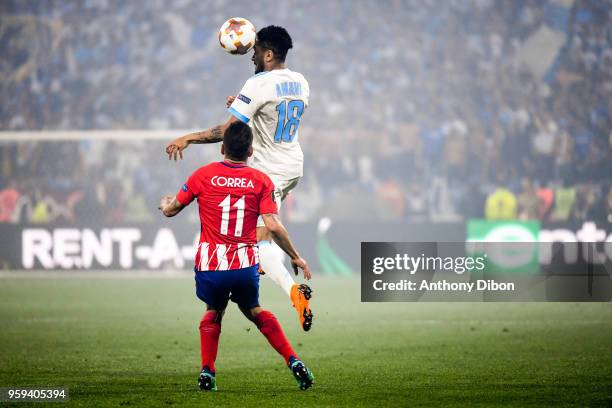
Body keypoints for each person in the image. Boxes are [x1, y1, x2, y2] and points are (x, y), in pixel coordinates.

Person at [165, 25, 313, 331]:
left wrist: (188, 139)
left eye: (256, 51)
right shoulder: (301, 82)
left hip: (266, 169)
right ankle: (270, 280)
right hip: (291, 164)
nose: (252, 57)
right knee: (258, 238)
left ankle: (290, 290)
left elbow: (228, 131)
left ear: (269, 54)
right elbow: (272, 113)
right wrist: (244, 102)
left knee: (252, 240)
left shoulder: (257, 84)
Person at [159, 121, 314, 391]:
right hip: (245, 266)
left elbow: (172, 210)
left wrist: (165, 204)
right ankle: (294, 361)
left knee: (213, 312)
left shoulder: (202, 175)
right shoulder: (261, 181)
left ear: (222, 149)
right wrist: (296, 256)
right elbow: (274, 226)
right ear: (251, 151)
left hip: (212, 264)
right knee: (255, 311)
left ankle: (207, 372)